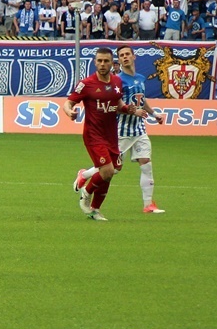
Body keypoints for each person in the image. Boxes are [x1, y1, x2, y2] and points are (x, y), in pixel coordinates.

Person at [75, 46, 166, 214]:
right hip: (121, 131)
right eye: (121, 55)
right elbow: (113, 104)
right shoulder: (117, 80)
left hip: (139, 129)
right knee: (112, 169)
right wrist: (131, 111)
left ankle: (148, 204)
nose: (125, 57)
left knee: (146, 164)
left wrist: (154, 114)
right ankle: (85, 174)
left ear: (134, 56)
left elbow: (141, 100)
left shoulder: (140, 78)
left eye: (127, 54)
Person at [64, 47, 145, 221]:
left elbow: (118, 105)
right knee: (107, 171)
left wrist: (128, 109)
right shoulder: (86, 84)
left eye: (106, 61)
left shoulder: (117, 81)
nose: (102, 64)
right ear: (95, 62)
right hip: (93, 135)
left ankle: (95, 209)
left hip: (111, 135)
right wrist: (70, 112)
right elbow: (68, 102)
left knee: (112, 171)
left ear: (111, 63)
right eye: (99, 61)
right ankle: (86, 194)